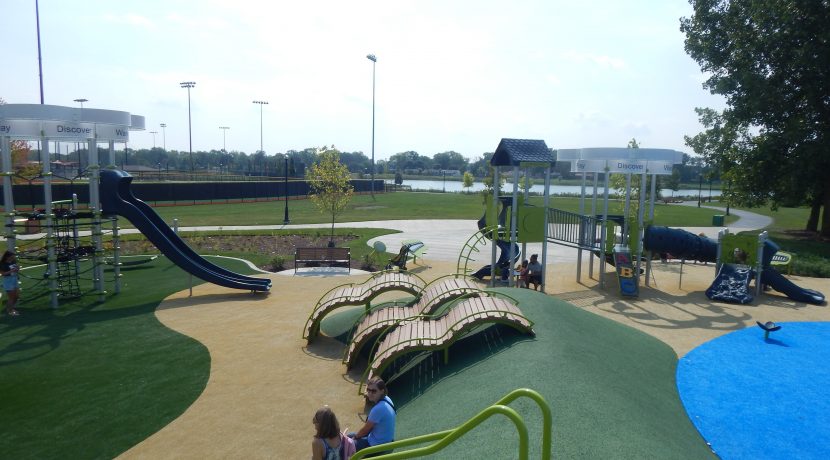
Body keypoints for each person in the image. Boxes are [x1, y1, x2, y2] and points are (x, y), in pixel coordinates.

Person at [349, 378, 396, 456]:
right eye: (368, 390)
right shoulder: (387, 399)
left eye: (374, 391)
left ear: (382, 391)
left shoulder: (378, 409)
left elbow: (365, 430)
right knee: (349, 435)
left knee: (348, 444)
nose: (370, 393)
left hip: (378, 445)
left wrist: (355, 438)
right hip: (386, 440)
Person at [1, 251, 21, 317]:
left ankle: (10, 307)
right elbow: (3, 274)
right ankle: (10, 311)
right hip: (8, 281)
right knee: (11, 297)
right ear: (7, 257)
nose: (13, 257)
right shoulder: (2, 264)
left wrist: (18, 268)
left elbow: (16, 270)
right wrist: (12, 271)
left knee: (17, 296)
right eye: (11, 256)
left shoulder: (13, 261)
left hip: (14, 279)